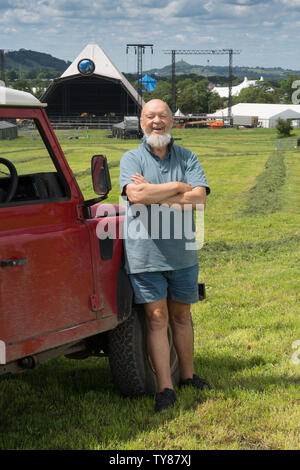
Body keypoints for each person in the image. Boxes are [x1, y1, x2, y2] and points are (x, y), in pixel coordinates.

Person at [119, 99, 211, 412]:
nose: (156, 121)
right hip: (145, 254)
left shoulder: (188, 156)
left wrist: (155, 195)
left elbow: (198, 200)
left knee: (182, 316)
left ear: (172, 121)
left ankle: (189, 376)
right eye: (150, 116)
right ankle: (165, 388)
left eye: (162, 116)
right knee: (157, 319)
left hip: (183, 253)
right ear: (140, 121)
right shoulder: (131, 158)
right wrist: (175, 187)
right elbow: (136, 195)